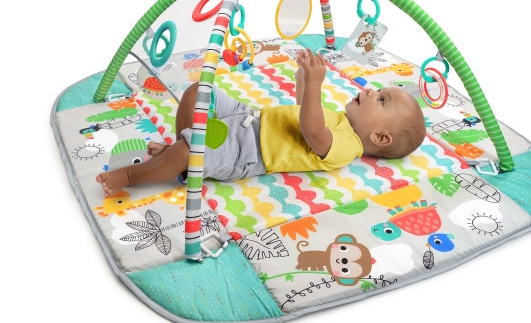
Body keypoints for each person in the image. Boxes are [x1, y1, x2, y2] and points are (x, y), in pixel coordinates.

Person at [96, 49, 426, 195]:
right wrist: (303, 79)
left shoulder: (347, 147)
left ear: (380, 137)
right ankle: (178, 150)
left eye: (381, 100)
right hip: (249, 117)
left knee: (189, 152)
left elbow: (312, 132)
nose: (370, 90)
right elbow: (301, 112)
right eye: (378, 91)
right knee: (199, 91)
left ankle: (132, 174)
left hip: (248, 149)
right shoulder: (340, 119)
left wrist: (315, 85)